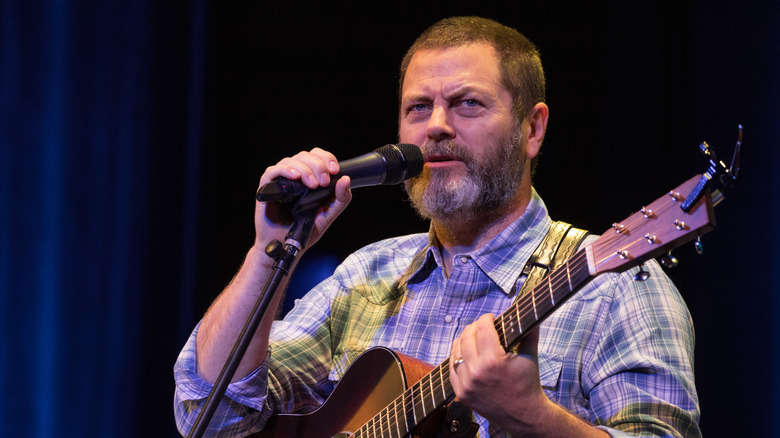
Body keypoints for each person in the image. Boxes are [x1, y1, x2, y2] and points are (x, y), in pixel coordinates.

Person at [174, 16, 701, 437]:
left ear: (532, 128)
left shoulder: (615, 286)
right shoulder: (366, 276)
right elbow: (209, 416)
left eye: (468, 103)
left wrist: (532, 419)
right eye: (419, 107)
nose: (438, 126)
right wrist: (269, 251)